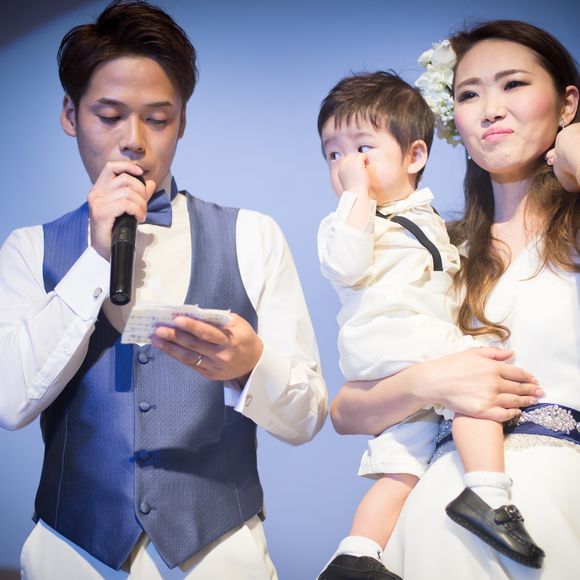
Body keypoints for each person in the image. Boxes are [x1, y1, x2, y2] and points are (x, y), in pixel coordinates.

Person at [0, 1, 327, 578]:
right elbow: (10, 404)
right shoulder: (30, 248)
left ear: (183, 121)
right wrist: (96, 259)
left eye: (157, 118)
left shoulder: (252, 236)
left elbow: (306, 419)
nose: (134, 141)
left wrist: (252, 365)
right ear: (71, 115)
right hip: (70, 555)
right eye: (109, 115)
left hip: (222, 555)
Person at [331, 19, 580, 580]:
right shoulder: (435, 250)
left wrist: (573, 145)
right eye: (469, 94)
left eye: (513, 84)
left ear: (567, 103)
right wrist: (429, 382)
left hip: (558, 498)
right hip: (435, 515)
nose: (490, 109)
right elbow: (345, 411)